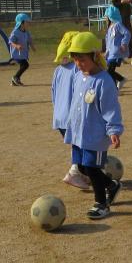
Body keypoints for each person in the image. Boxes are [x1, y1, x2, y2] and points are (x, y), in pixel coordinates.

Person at [64, 32, 123, 220]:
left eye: (82, 59)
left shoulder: (104, 81)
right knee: (82, 167)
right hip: (79, 133)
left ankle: (101, 203)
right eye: (75, 59)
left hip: (95, 135)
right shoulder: (78, 76)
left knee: (92, 169)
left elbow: (110, 108)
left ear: (95, 56)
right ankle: (112, 185)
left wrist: (114, 130)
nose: (78, 64)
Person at [52, 30, 90, 190]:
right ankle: (75, 172)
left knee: (78, 144)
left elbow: (53, 93)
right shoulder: (78, 69)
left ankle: (83, 174)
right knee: (84, 145)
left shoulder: (59, 70)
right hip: (72, 116)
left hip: (60, 117)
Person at [103, 5, 131, 89]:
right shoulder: (110, 28)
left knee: (109, 71)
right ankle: (119, 82)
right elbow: (108, 42)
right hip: (110, 54)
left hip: (116, 53)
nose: (105, 19)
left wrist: (124, 43)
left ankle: (120, 81)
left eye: (106, 16)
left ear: (111, 16)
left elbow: (127, 33)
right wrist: (106, 52)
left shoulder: (118, 25)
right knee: (109, 71)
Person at [9, 13, 35, 86]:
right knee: (25, 65)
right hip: (16, 53)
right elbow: (10, 42)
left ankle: (15, 81)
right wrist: (16, 46)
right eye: (27, 22)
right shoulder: (15, 32)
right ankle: (15, 77)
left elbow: (29, 39)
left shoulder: (26, 31)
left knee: (22, 65)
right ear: (21, 23)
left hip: (23, 53)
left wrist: (32, 46)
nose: (28, 24)